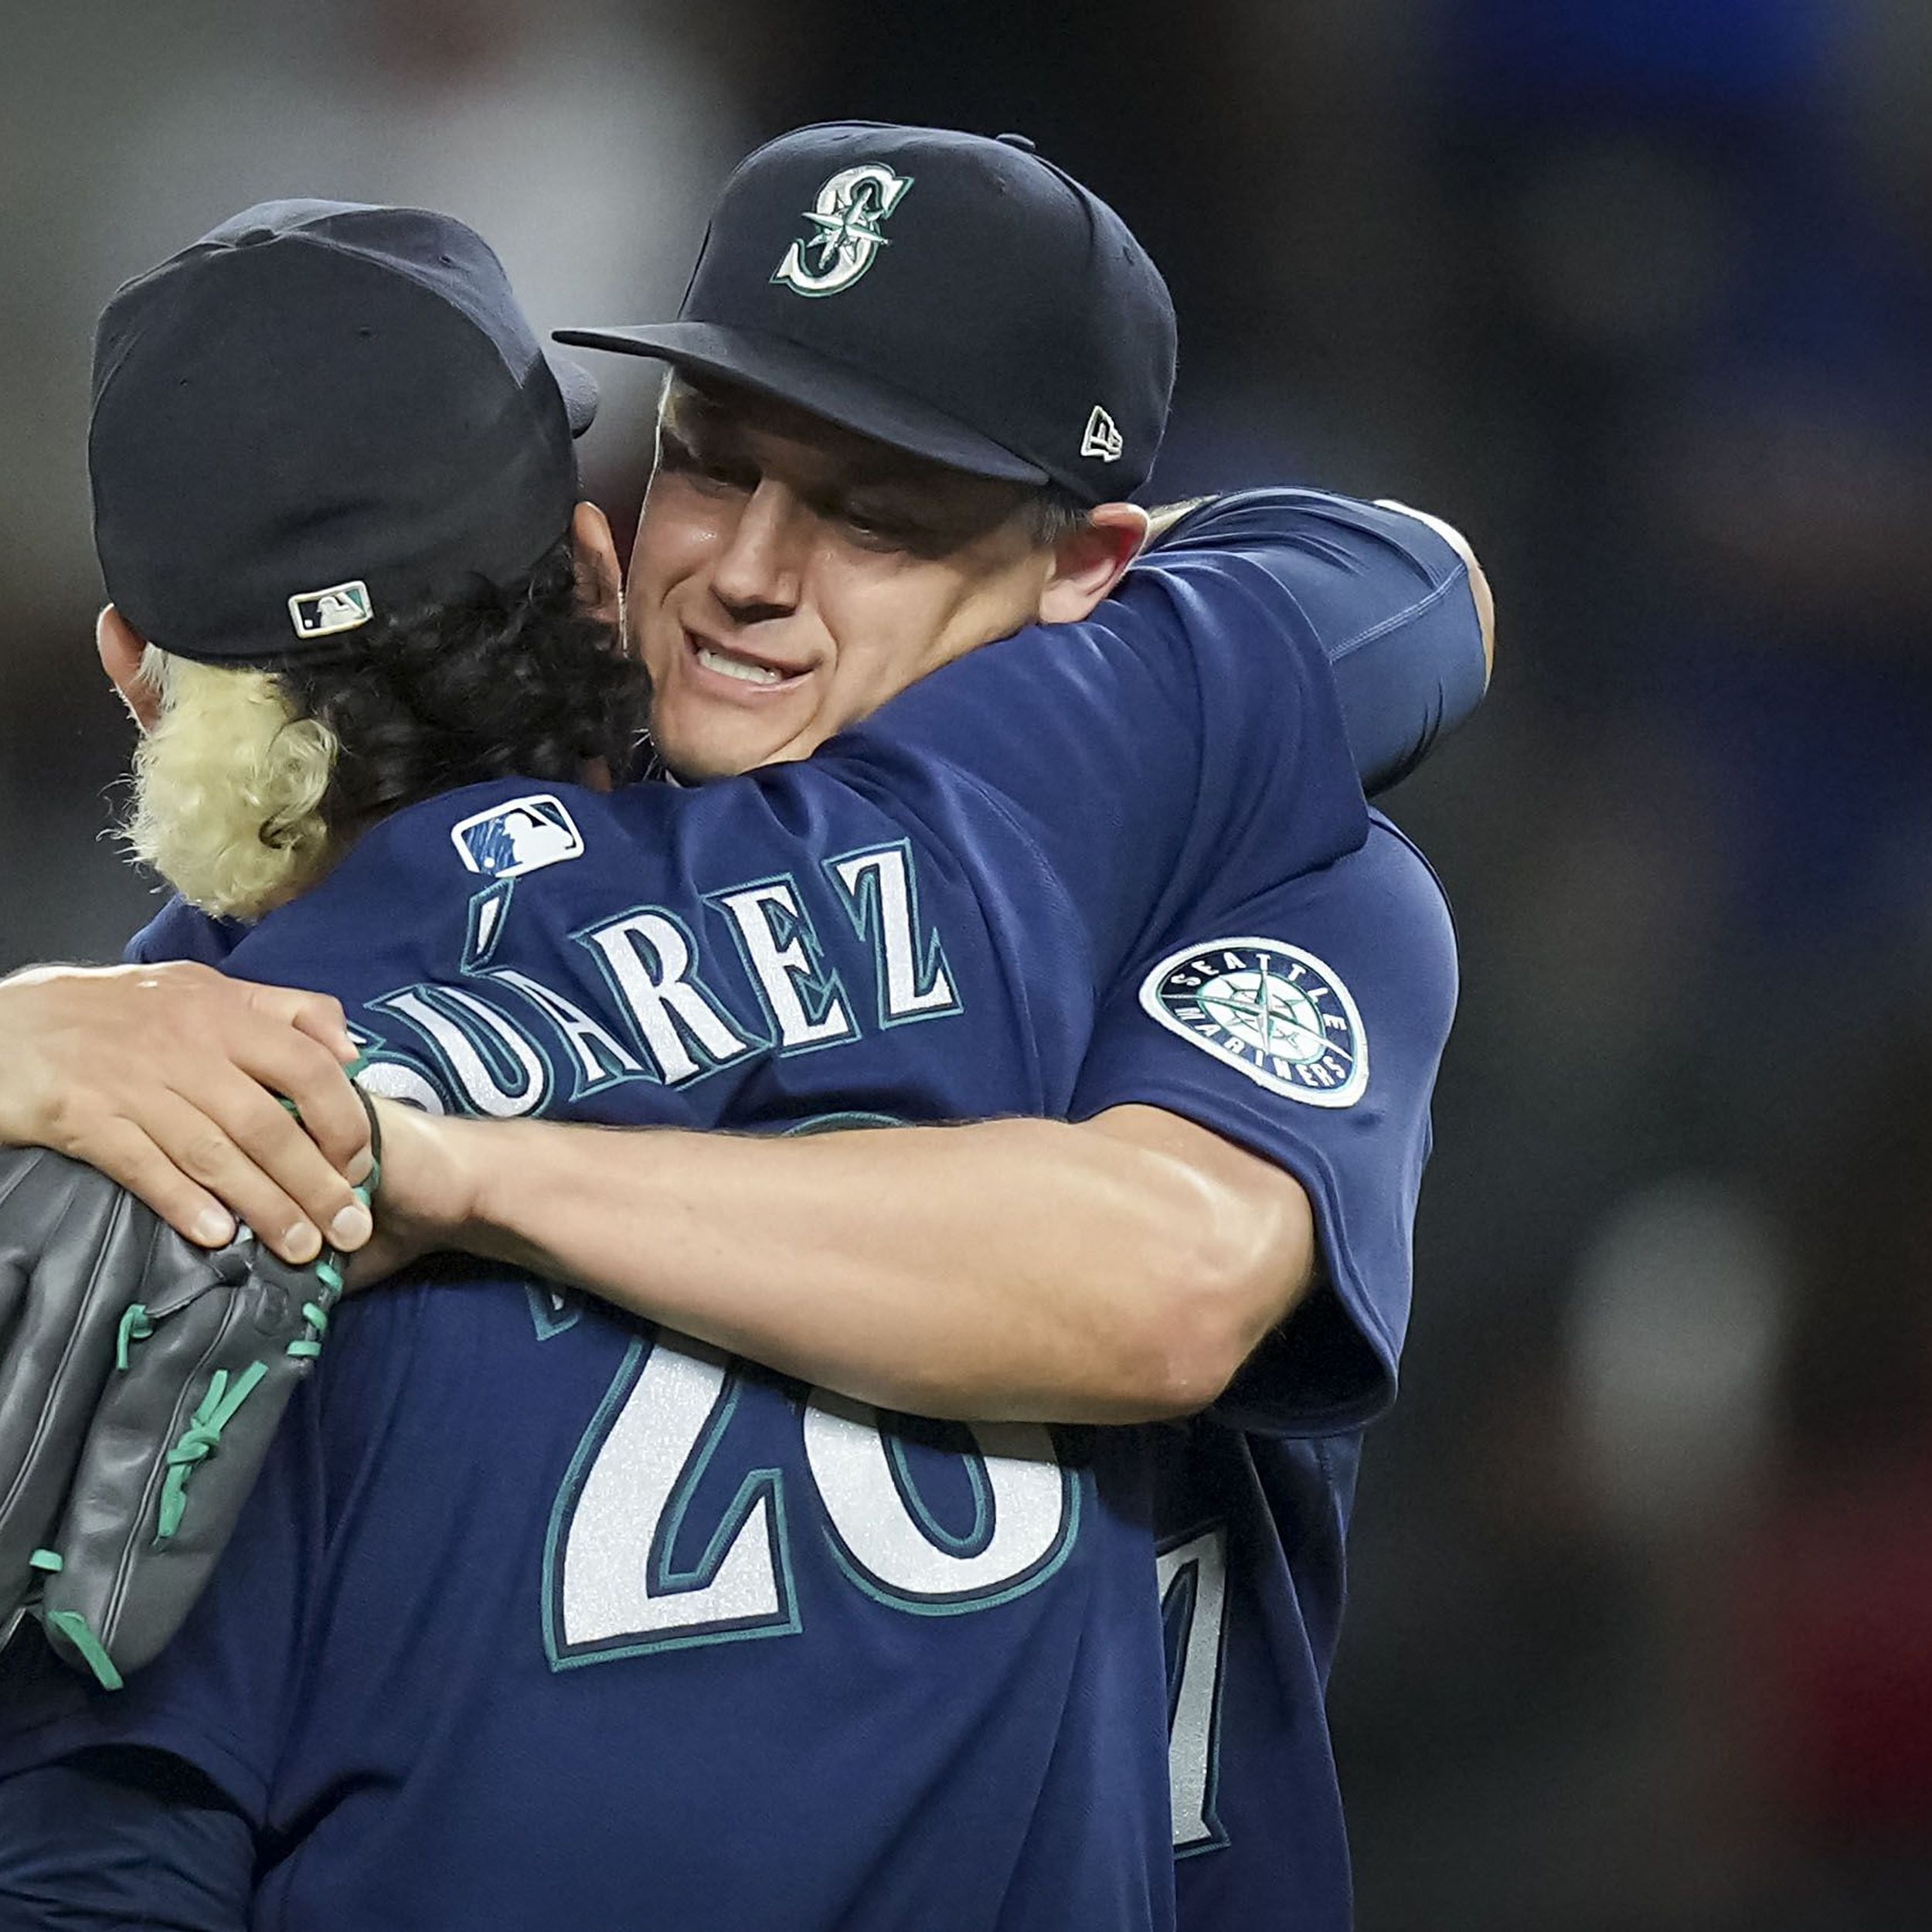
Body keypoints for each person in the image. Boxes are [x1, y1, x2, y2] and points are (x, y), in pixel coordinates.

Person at [0, 130, 1485, 1930]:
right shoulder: (227, 1025)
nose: (750, 572)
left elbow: (1164, 1279)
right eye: (711, 464)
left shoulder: (1230, 846)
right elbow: (1407, 582)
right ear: (598, 539)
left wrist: (460, 1163)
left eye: (876, 509)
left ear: (1099, 565)